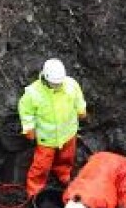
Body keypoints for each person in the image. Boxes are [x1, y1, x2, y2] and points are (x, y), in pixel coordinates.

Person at [18, 58, 87, 198]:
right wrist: (29, 128)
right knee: (41, 165)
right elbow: (26, 112)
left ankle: (63, 173)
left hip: (68, 132)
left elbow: (78, 98)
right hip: (47, 138)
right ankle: (34, 190)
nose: (57, 85)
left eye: (59, 82)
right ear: (45, 78)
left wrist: (81, 110)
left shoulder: (71, 85)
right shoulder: (33, 93)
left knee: (66, 157)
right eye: (54, 83)